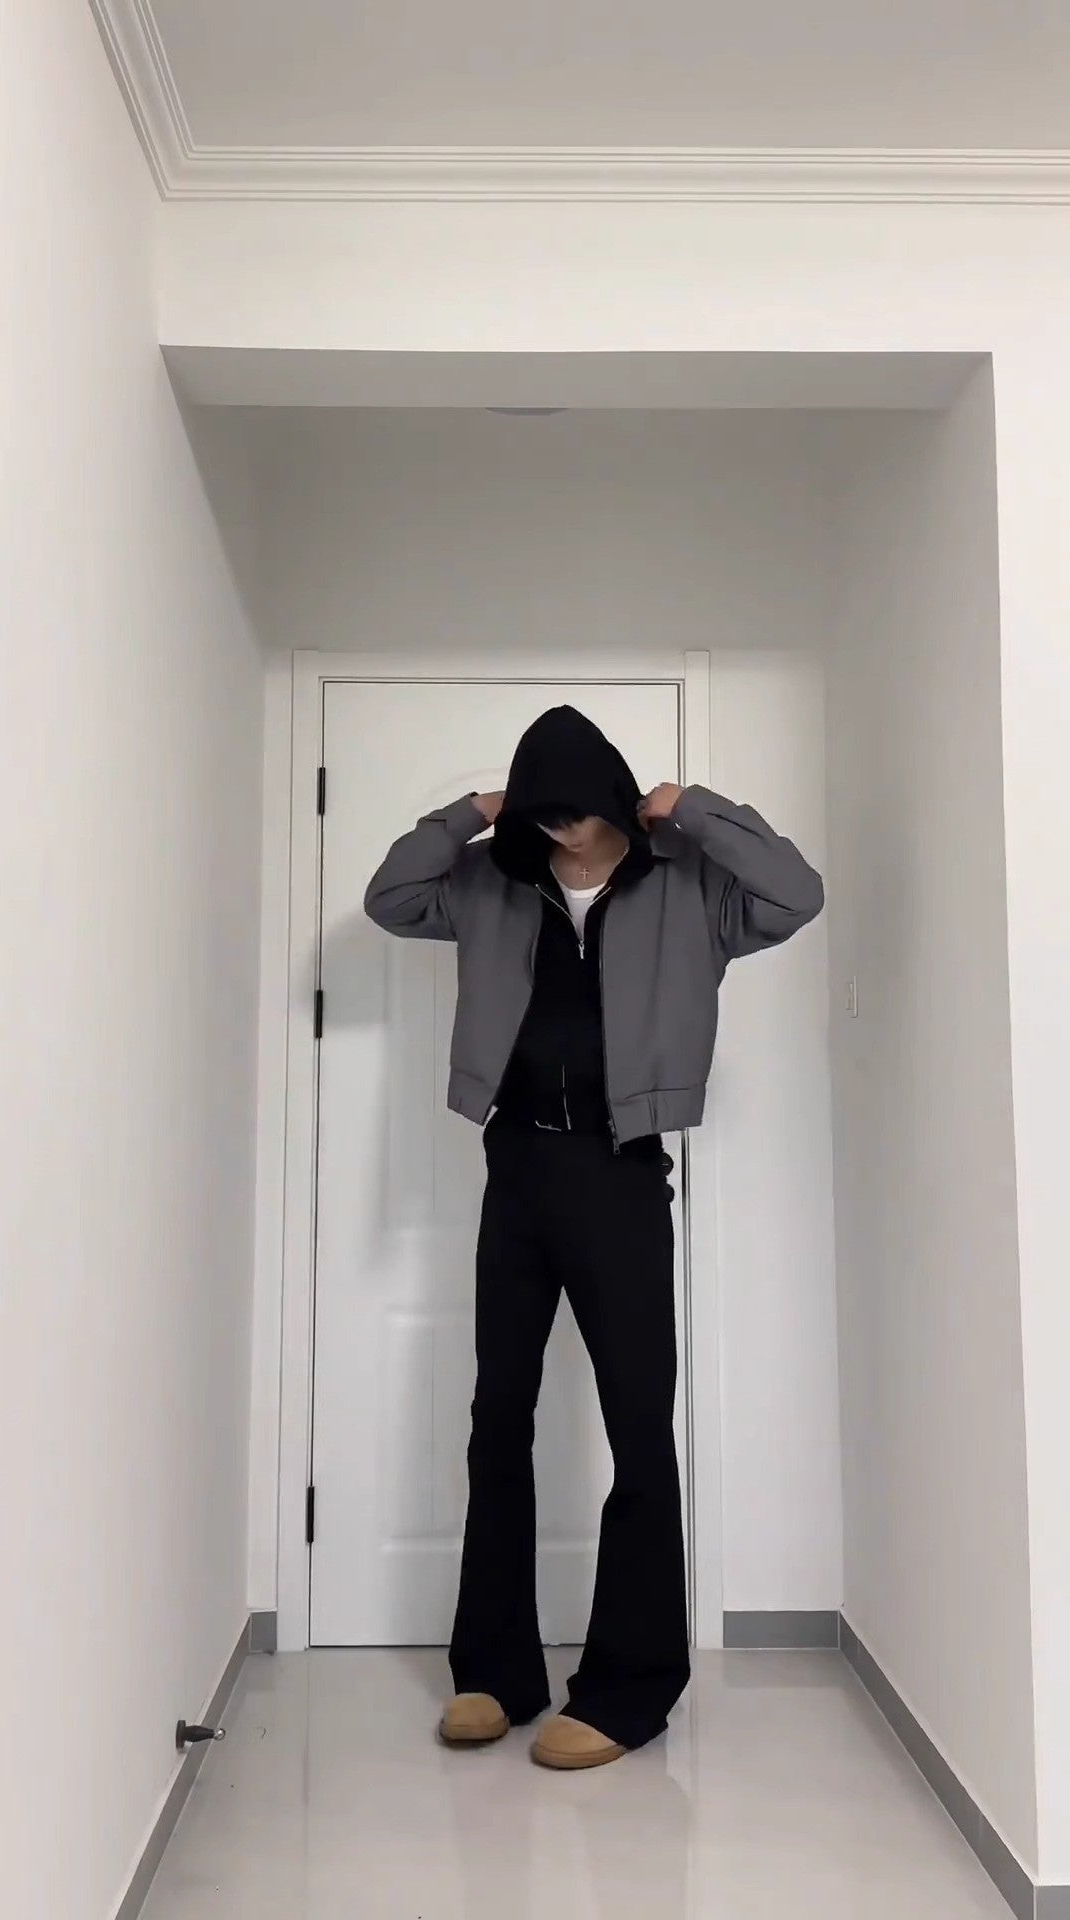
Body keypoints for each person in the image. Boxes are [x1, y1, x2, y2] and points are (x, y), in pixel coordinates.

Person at [364, 705, 823, 1769]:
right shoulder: (493, 877)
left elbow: (796, 892)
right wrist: (473, 812)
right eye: (542, 813)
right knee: (498, 1418)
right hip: (516, 1169)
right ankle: (493, 1673)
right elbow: (390, 897)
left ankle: (628, 1690)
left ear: (615, 800)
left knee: (638, 1428)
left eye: (574, 811)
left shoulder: (691, 883)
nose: (559, 831)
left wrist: (694, 807)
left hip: (621, 1174)